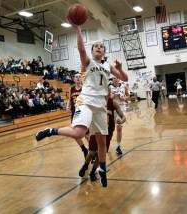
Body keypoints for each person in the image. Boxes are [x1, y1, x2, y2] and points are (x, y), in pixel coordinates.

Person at [35, 23, 128, 188]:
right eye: (96, 46)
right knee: (79, 132)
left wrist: (120, 69)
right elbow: (81, 49)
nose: (99, 48)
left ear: (104, 52)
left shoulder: (109, 66)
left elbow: (125, 79)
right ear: (92, 51)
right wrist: (77, 28)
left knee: (102, 142)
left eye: (102, 46)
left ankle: (102, 170)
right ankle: (50, 131)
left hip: (101, 105)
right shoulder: (88, 61)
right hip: (86, 100)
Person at [78, 97, 126, 180]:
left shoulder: (113, 102)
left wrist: (120, 121)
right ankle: (85, 165)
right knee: (92, 152)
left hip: (107, 131)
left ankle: (93, 172)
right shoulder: (94, 101)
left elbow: (123, 117)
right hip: (96, 130)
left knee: (100, 154)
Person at [66, 71, 89, 158]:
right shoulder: (71, 89)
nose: (78, 78)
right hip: (75, 115)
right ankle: (84, 149)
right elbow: (69, 99)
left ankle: (92, 152)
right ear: (74, 79)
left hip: (84, 114)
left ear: (82, 78)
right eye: (76, 77)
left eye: (79, 76)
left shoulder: (85, 89)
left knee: (87, 135)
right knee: (75, 134)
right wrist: (68, 106)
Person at [109, 76, 129, 155]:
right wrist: (112, 97)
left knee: (119, 127)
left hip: (122, 107)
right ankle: (108, 142)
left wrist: (125, 98)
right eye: (114, 78)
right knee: (110, 128)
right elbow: (106, 99)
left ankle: (118, 146)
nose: (116, 79)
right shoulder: (109, 87)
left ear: (119, 79)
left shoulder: (124, 86)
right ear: (112, 80)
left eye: (117, 78)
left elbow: (127, 95)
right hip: (112, 108)